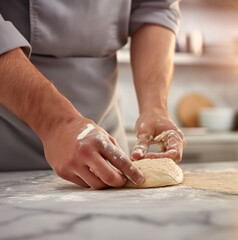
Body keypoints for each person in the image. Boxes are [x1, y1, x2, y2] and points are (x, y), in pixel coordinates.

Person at [0, 0, 185, 190]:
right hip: (9, 145)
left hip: (105, 142)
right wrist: (55, 122)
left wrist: (154, 107)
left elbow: (156, 8)